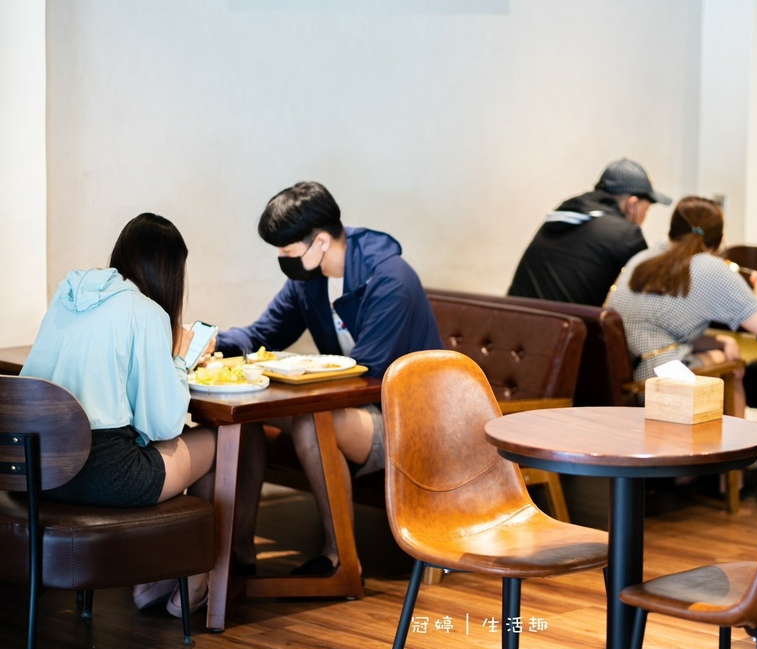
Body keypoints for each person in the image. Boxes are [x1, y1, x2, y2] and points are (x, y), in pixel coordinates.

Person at [216, 180, 442, 576]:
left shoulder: (390, 279)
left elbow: (368, 373)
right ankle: (238, 553)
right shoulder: (309, 280)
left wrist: (293, 382)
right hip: (353, 404)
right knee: (245, 417)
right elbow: (263, 334)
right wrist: (212, 341)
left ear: (320, 241)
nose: (283, 259)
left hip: (410, 417)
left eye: (287, 252)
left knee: (312, 423)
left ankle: (340, 559)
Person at [19, 213, 216, 617]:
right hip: (100, 474)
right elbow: (164, 424)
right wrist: (180, 359)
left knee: (153, 447)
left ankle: (152, 581)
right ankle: (193, 583)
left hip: (35, 472)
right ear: (170, 272)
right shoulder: (145, 312)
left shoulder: (67, 296)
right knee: (216, 441)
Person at [605, 195, 757, 414]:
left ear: (671, 230)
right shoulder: (710, 267)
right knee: (730, 365)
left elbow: (660, 332)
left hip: (615, 380)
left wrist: (721, 340)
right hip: (652, 383)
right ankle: (737, 436)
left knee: (722, 352)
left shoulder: (642, 258)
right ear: (720, 240)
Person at [507, 158, 671, 306]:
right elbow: (652, 290)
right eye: (646, 209)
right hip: (565, 328)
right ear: (632, 204)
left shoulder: (562, 215)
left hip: (511, 319)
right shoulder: (625, 234)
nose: (644, 217)